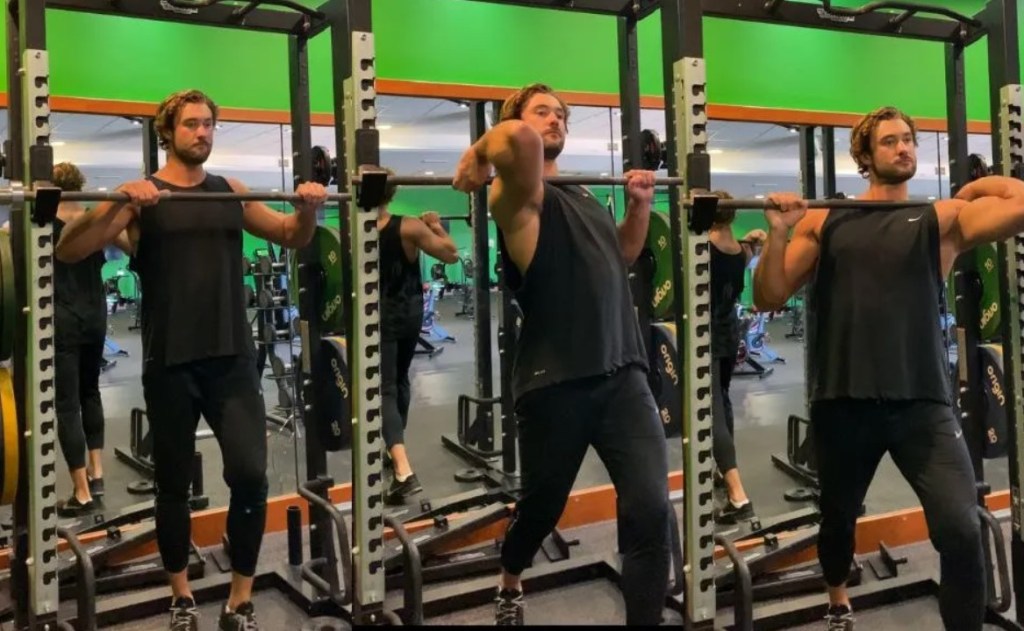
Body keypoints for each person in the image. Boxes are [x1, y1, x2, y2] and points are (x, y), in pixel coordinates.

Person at [54, 88, 328, 631]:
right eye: (191, 125)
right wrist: (118, 203)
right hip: (170, 363)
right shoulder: (143, 198)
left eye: (208, 125)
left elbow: (291, 237)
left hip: (232, 361)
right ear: (168, 132)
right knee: (173, 486)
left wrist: (309, 208)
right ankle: (181, 597)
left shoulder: (231, 191)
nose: (202, 133)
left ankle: (240, 600)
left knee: (250, 477)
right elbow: (70, 250)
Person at [753, 105, 1024, 631]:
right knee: (837, 524)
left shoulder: (939, 220)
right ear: (864, 156)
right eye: (889, 142)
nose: (903, 148)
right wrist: (780, 232)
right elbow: (768, 296)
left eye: (909, 140)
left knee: (961, 529)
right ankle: (837, 600)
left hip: (921, 404)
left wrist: (971, 190)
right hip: (843, 402)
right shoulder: (826, 218)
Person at [453, 83, 671, 626]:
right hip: (557, 384)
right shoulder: (518, 199)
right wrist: (481, 152)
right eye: (543, 112)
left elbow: (621, 252)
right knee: (543, 506)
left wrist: (640, 207)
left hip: (624, 374)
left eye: (563, 116)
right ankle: (510, 576)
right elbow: (517, 141)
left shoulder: (584, 193)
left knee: (651, 511)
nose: (556, 122)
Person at [49, 162, 131, 518]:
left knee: (67, 404)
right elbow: (131, 245)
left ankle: (81, 492)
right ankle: (96, 474)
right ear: (80, 184)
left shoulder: (42, 221)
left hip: (62, 319)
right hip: (96, 317)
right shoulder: (93, 220)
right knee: (90, 392)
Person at [377, 173, 459, 504]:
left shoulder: (354, 230)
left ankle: (403, 470)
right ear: (391, 193)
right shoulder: (409, 227)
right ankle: (394, 445)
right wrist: (437, 225)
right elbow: (451, 254)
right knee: (399, 381)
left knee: (383, 388)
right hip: (409, 315)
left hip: (377, 319)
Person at [707, 190, 766, 524]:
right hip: (731, 333)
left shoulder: (705, 250)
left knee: (711, 407)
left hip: (708, 335)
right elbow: (748, 247)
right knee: (724, 400)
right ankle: (721, 469)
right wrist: (754, 242)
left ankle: (737, 494)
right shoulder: (739, 252)